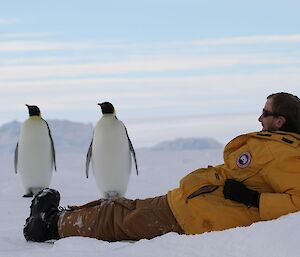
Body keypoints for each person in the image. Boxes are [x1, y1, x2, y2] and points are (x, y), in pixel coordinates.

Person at [23, 92, 300, 242]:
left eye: (266, 112)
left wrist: (252, 199)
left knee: (118, 221)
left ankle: (49, 226)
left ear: (280, 121)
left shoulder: (289, 155)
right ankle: (57, 217)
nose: (259, 117)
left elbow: (296, 200)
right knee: (121, 208)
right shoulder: (280, 144)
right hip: (190, 201)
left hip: (196, 214)